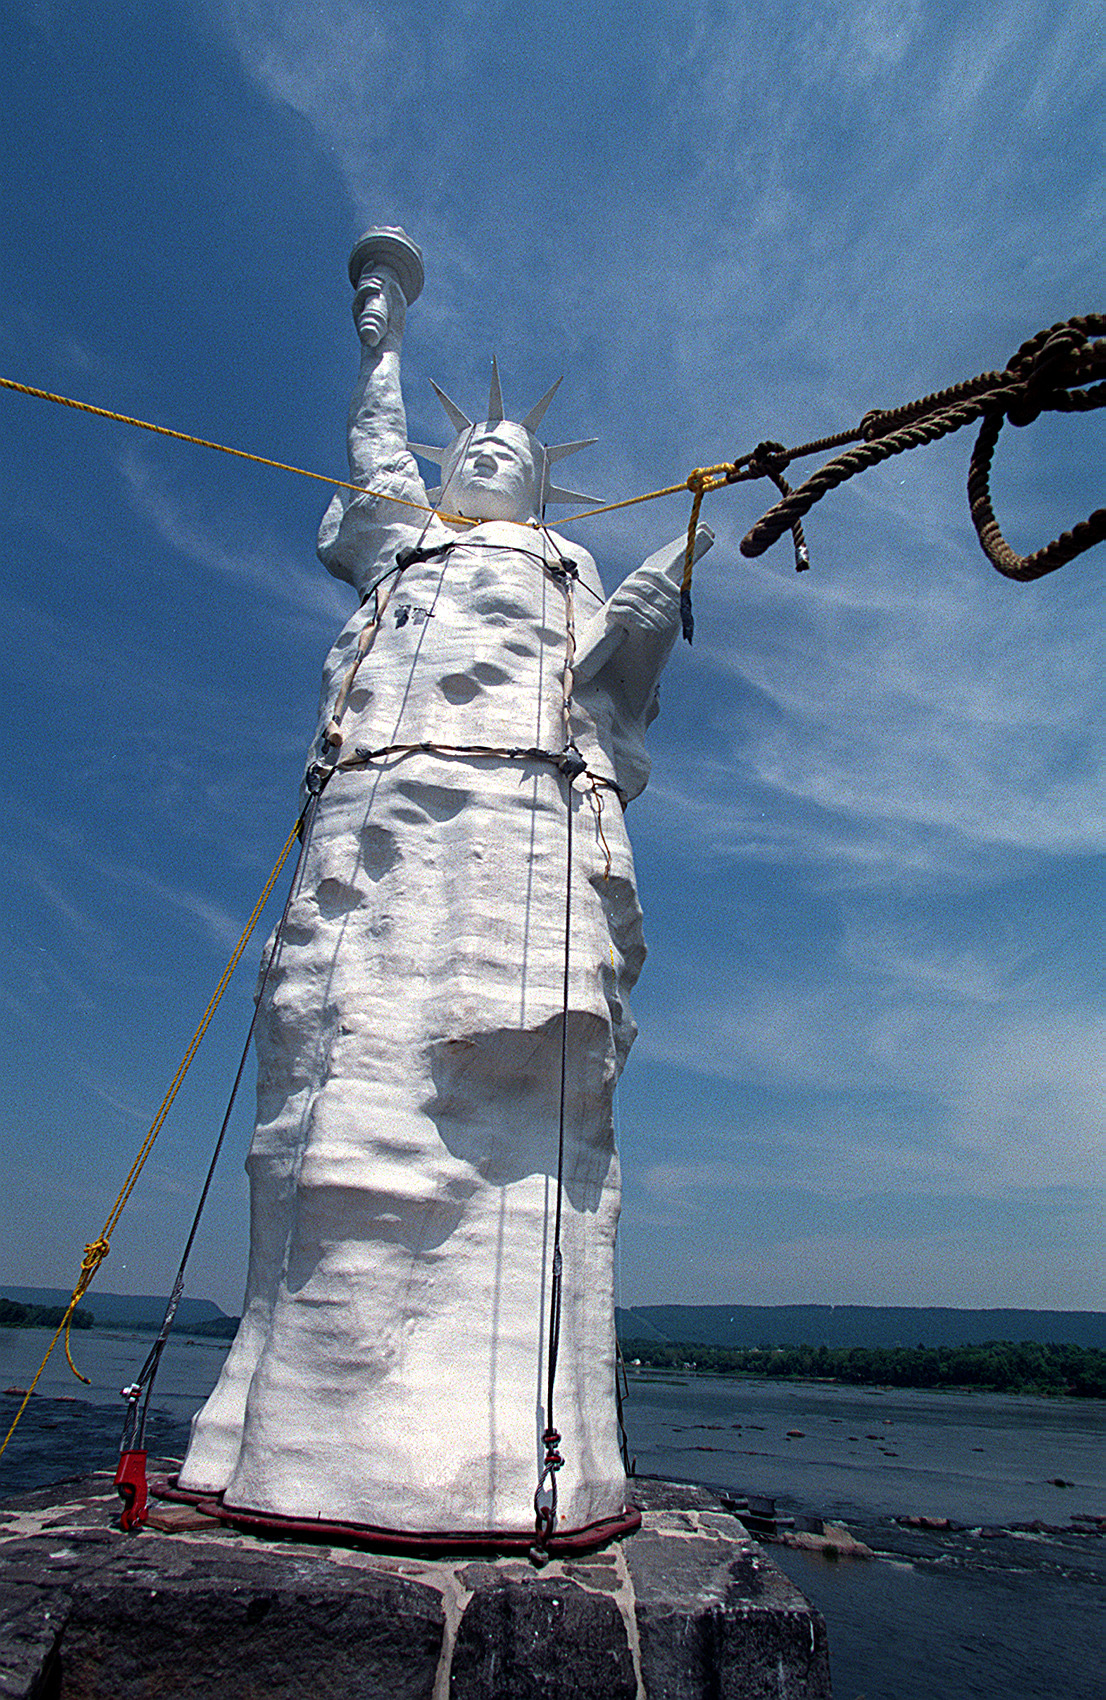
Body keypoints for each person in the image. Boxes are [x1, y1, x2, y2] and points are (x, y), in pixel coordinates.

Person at [178, 229, 713, 1545]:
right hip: (375, 809)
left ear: (541, 494)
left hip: (519, 816)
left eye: (510, 457)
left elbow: (610, 687)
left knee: (510, 1074)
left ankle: (507, 1451)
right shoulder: (402, 539)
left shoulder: (563, 565)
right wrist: (383, 335)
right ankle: (298, 1425)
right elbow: (376, 453)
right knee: (334, 1059)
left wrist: (664, 584)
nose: (484, 455)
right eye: (468, 449)